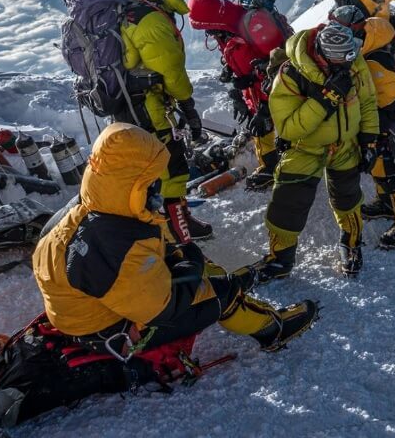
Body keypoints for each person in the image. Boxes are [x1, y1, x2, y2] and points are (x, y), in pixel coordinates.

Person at [32, 123, 318, 362]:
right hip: (113, 331)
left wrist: (182, 257)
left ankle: (233, 284)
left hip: (89, 312)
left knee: (192, 262)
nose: (156, 187)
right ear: (132, 184)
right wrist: (192, 263)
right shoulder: (117, 242)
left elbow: (138, 257)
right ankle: (273, 330)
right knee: (219, 292)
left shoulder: (90, 208)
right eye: (150, 182)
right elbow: (164, 307)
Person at [256, 23, 379, 280]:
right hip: (305, 148)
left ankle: (352, 243)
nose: (348, 64)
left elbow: (367, 100)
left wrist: (369, 140)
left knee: (348, 197)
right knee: (288, 202)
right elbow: (288, 128)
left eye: (349, 57)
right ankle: (280, 258)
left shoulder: (351, 60)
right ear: (323, 54)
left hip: (345, 144)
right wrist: (326, 99)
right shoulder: (291, 74)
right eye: (341, 59)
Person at [100, 0, 211, 241]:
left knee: (147, 168)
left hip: (129, 105)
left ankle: (159, 225)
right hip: (148, 107)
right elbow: (171, 71)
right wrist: (188, 106)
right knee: (171, 167)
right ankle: (175, 232)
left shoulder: (132, 10)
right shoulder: (151, 19)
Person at [186, 0, 291, 191]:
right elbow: (235, 55)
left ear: (211, 20)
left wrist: (265, 107)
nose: (206, 32)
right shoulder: (224, 28)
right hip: (254, 89)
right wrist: (236, 88)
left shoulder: (254, 25)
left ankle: (289, 168)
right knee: (259, 127)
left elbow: (281, 66)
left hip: (276, 88)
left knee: (277, 123)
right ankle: (269, 166)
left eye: (205, 26)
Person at [350, 15, 395, 249]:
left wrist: (375, 127)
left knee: (393, 173)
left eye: (361, 35)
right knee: (379, 167)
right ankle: (386, 204)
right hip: (378, 124)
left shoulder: (377, 61)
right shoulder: (374, 54)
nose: (356, 39)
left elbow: (389, 100)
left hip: (385, 127)